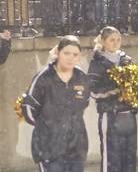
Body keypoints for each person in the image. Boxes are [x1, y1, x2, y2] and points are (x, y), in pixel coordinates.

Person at [21, 36, 90, 172]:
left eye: (75, 54)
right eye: (66, 53)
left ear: (79, 57)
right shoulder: (44, 77)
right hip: (49, 149)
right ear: (58, 53)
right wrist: (47, 128)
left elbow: (84, 103)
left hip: (76, 148)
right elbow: (28, 107)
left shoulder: (81, 77)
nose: (71, 58)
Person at [88, 27, 138, 172]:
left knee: (129, 159)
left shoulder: (126, 60)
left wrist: (135, 98)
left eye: (118, 40)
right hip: (110, 115)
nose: (116, 43)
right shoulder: (97, 62)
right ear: (103, 41)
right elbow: (91, 91)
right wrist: (114, 92)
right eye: (112, 40)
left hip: (129, 116)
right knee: (111, 159)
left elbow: (136, 84)